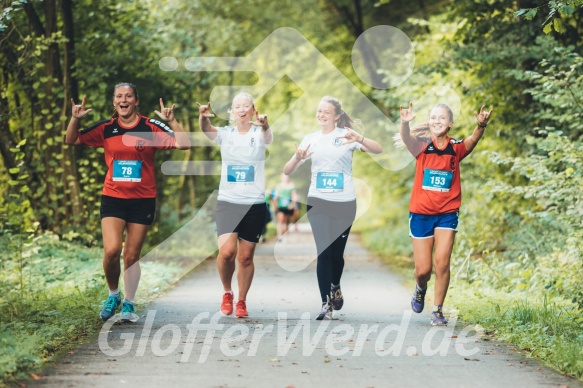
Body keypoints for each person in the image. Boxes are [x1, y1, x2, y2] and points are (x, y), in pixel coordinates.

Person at [65, 83, 190, 322]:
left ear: (136, 101)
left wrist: (172, 122)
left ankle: (129, 304)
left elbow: (183, 144)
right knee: (112, 251)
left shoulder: (150, 127)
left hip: (142, 200)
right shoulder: (106, 128)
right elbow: (72, 140)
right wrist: (75, 119)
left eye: (129, 96)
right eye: (119, 96)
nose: (124, 100)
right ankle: (113, 295)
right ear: (114, 102)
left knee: (131, 256)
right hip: (113, 197)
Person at [284, 96, 382, 320]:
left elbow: (378, 150)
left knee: (337, 255)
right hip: (318, 202)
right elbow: (288, 170)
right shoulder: (310, 139)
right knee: (323, 252)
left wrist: (360, 137)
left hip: (344, 204)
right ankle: (325, 303)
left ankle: (335, 284)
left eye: (326, 112)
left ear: (337, 115)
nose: (321, 115)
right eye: (319, 111)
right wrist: (297, 158)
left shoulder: (346, 136)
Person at [399, 102, 493, 326]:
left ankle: (438, 310)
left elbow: (472, 141)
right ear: (429, 122)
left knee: (442, 262)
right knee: (423, 270)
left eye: (442, 118)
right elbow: (406, 138)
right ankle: (421, 288)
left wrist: (480, 125)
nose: (437, 121)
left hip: (447, 213)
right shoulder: (421, 146)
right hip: (421, 214)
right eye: (433, 117)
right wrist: (405, 122)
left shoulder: (456, 148)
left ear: (450, 124)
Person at [197, 92, 272, 318]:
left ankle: (241, 301)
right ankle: (227, 292)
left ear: (253, 110)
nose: (241, 109)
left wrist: (265, 125)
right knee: (227, 252)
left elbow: (267, 138)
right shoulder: (226, 134)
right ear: (232, 111)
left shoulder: (260, 133)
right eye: (237, 105)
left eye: (246, 105)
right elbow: (207, 130)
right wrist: (203, 117)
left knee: (246, 257)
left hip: (254, 204)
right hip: (228, 203)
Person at [273, 173, 298, 241]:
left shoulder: (291, 186)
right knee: (280, 221)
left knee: (286, 222)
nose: (286, 178)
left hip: (288, 207)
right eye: (284, 177)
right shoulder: (278, 186)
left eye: (287, 177)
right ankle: (279, 235)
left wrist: (292, 204)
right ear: (281, 178)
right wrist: (275, 204)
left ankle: (286, 235)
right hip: (280, 206)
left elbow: (294, 196)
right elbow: (276, 196)